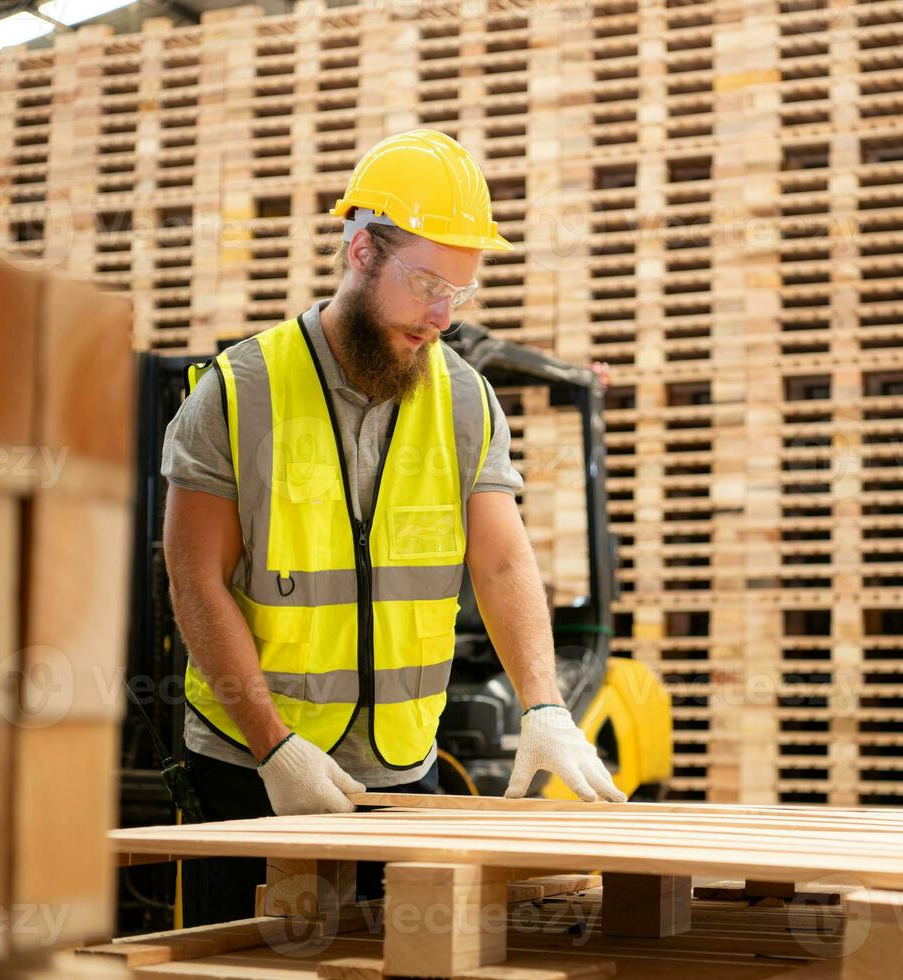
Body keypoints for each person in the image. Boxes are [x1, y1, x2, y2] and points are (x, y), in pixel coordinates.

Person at [160, 129, 624, 925]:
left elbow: (505, 564)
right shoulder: (239, 392)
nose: (443, 314)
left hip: (403, 774)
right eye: (426, 283)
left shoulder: (467, 399)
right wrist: (273, 746)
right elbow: (194, 578)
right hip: (251, 768)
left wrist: (545, 708)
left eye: (462, 292)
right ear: (361, 252)